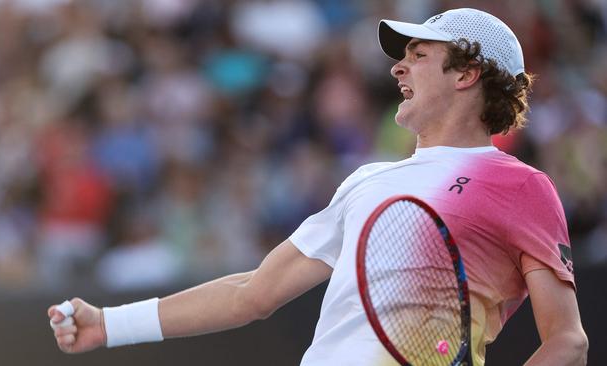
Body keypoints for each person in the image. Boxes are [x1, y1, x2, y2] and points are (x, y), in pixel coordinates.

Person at [48, 8, 588, 365]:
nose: (399, 68)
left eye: (419, 56)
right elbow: (251, 294)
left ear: (467, 74)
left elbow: (567, 340)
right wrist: (111, 324)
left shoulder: (520, 186)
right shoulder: (366, 181)